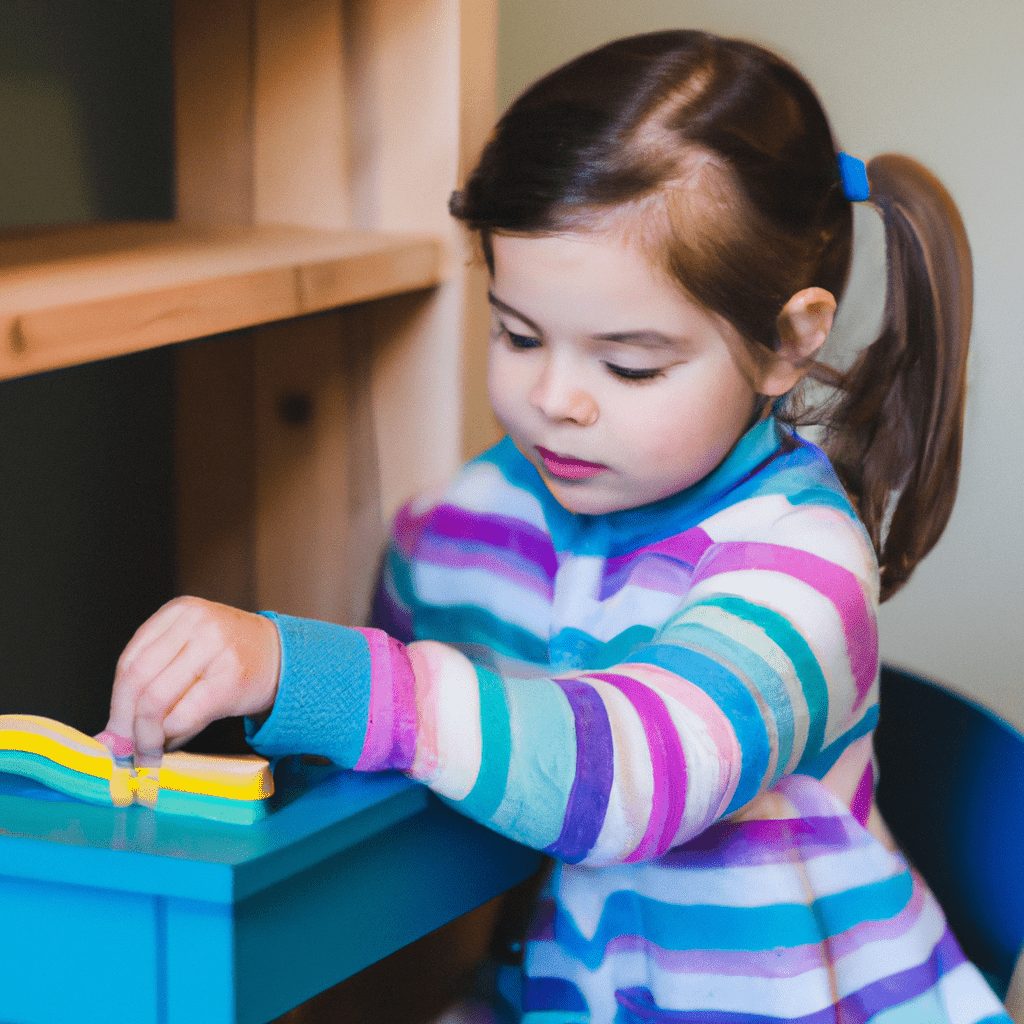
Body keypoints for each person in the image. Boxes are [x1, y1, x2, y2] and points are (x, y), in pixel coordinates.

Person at [104, 30, 1011, 1024]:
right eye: (517, 333)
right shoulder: (465, 525)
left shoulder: (800, 562)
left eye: (628, 364)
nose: (553, 398)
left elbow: (624, 779)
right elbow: (423, 759)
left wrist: (311, 669)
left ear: (785, 344)